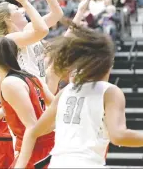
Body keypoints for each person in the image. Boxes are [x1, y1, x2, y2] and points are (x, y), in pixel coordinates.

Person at [14, 25, 143, 168]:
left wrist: (19, 166)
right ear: (107, 63)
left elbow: (33, 131)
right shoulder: (110, 92)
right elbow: (118, 136)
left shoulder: (66, 91)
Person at [0, 37, 55, 168]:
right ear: (17, 55)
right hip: (46, 142)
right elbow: (55, 104)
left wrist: (20, 165)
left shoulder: (10, 83)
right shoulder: (31, 76)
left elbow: (31, 127)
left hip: (35, 147)